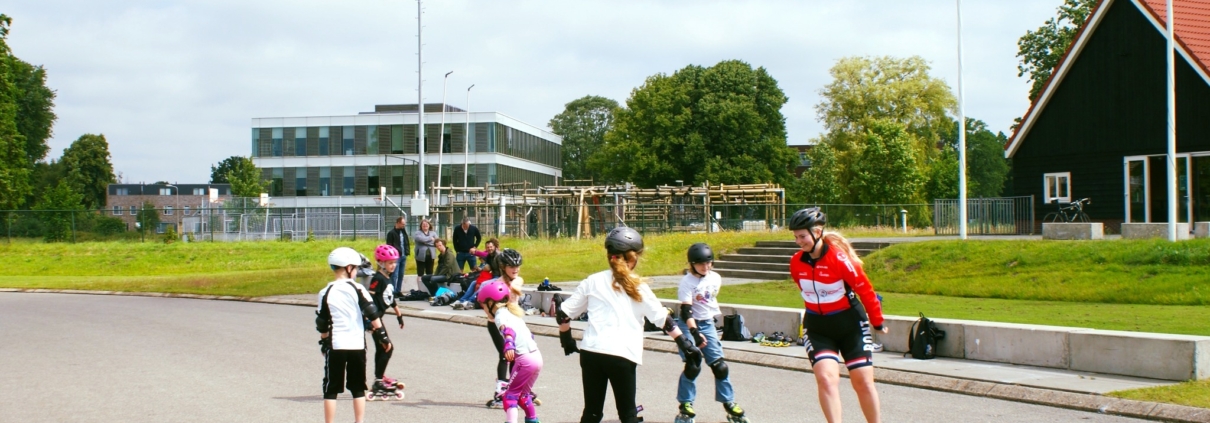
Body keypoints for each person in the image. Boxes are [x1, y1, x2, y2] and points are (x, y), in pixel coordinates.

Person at [558, 227, 703, 423]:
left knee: (592, 413)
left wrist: (566, 338)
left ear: (610, 255)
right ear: (633, 258)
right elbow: (663, 320)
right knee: (628, 414)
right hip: (622, 356)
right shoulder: (638, 286)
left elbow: (564, 314)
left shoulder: (592, 281)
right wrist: (685, 344)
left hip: (591, 353)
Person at [788, 207, 887, 423]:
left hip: (850, 325)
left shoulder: (840, 259)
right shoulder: (796, 262)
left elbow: (866, 291)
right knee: (825, 379)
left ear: (818, 232)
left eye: (802, 236)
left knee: (862, 382)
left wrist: (877, 322)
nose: (799, 242)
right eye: (795, 237)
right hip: (817, 327)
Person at [315, 247, 393, 423]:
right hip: (357, 345)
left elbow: (322, 322)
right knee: (358, 388)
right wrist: (383, 337)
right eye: (356, 268)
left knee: (331, 389)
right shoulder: (358, 289)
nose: (357, 272)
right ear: (349, 267)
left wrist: (324, 341)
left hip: (336, 346)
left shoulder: (325, 292)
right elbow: (373, 314)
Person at [673, 243, 747, 423]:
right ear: (692, 264)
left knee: (720, 366)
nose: (705, 267)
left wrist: (705, 327)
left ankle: (729, 403)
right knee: (693, 363)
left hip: (707, 323)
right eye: (700, 264)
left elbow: (708, 302)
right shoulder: (686, 282)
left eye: (708, 263)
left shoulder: (716, 278)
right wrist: (695, 333)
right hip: (688, 324)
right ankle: (685, 405)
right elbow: (686, 311)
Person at [478, 260, 543, 423]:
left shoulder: (500, 315)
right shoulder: (513, 311)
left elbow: (508, 331)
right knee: (524, 395)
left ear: (491, 303)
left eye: (485, 306)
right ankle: (532, 420)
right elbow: (529, 334)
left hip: (525, 360)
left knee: (510, 397)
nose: (485, 310)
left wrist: (508, 345)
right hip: (537, 357)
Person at [483, 248, 526, 408]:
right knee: (505, 355)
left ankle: (516, 389)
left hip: (513, 323)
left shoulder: (518, 280)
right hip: (496, 324)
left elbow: (516, 290)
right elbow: (482, 301)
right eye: (511, 266)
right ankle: (500, 392)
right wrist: (491, 314)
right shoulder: (495, 285)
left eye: (517, 266)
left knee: (518, 356)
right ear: (503, 267)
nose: (515, 269)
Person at [366, 245, 408, 401]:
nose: (394, 265)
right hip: (374, 318)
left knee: (381, 348)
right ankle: (378, 380)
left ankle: (379, 378)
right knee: (387, 347)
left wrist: (399, 315)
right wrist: (368, 321)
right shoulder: (377, 279)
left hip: (378, 318)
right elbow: (368, 300)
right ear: (381, 263)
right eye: (390, 263)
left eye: (395, 262)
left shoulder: (388, 277)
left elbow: (390, 298)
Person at [452, 237, 501, 310]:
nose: (489, 248)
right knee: (474, 282)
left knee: (484, 284)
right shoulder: (489, 256)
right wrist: (480, 269)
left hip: (499, 277)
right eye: (488, 247)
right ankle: (461, 300)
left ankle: (470, 301)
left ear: (494, 247)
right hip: (492, 276)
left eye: (491, 247)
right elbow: (487, 266)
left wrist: (503, 279)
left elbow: (503, 268)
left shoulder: (498, 256)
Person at [385, 216, 411, 295]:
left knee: (401, 274)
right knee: (395, 275)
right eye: (402, 224)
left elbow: (406, 242)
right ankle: (393, 291)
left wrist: (407, 251)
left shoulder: (403, 232)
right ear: (398, 223)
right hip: (396, 257)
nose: (404, 225)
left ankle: (398, 290)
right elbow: (389, 245)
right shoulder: (391, 233)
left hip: (403, 256)